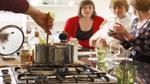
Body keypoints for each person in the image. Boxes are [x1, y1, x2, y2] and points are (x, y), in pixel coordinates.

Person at [108, 0, 150, 83]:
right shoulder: (135, 22)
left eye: (131, 6)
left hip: (146, 66)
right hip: (134, 65)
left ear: (135, 7)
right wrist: (121, 39)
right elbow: (132, 46)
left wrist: (126, 34)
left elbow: (146, 49)